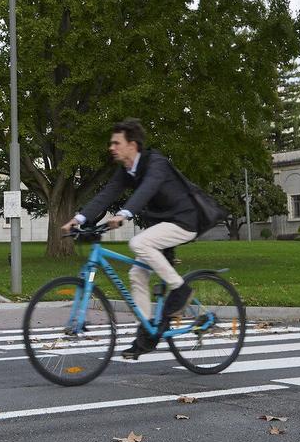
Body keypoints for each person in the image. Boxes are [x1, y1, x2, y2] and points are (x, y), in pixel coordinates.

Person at [64, 118, 201, 355]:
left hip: (184, 220)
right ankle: (146, 334)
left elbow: (148, 188)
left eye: (116, 143)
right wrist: (79, 219)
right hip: (162, 225)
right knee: (137, 273)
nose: (111, 147)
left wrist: (124, 214)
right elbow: (106, 194)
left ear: (132, 145)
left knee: (138, 242)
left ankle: (181, 289)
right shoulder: (126, 171)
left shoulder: (155, 163)